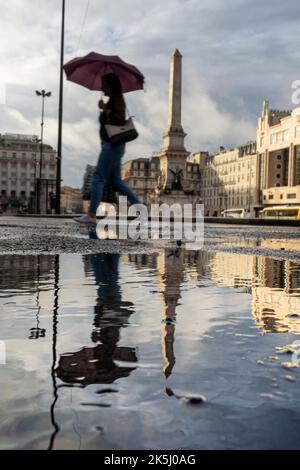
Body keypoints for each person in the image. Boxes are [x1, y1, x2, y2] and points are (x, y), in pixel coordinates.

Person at [75, 73, 140, 225]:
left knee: (98, 178)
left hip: (112, 145)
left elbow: (118, 120)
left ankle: (91, 215)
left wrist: (105, 109)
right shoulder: (113, 100)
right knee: (116, 181)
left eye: (104, 84)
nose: (102, 86)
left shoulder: (117, 99)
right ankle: (140, 207)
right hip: (114, 145)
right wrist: (104, 110)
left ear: (111, 85)